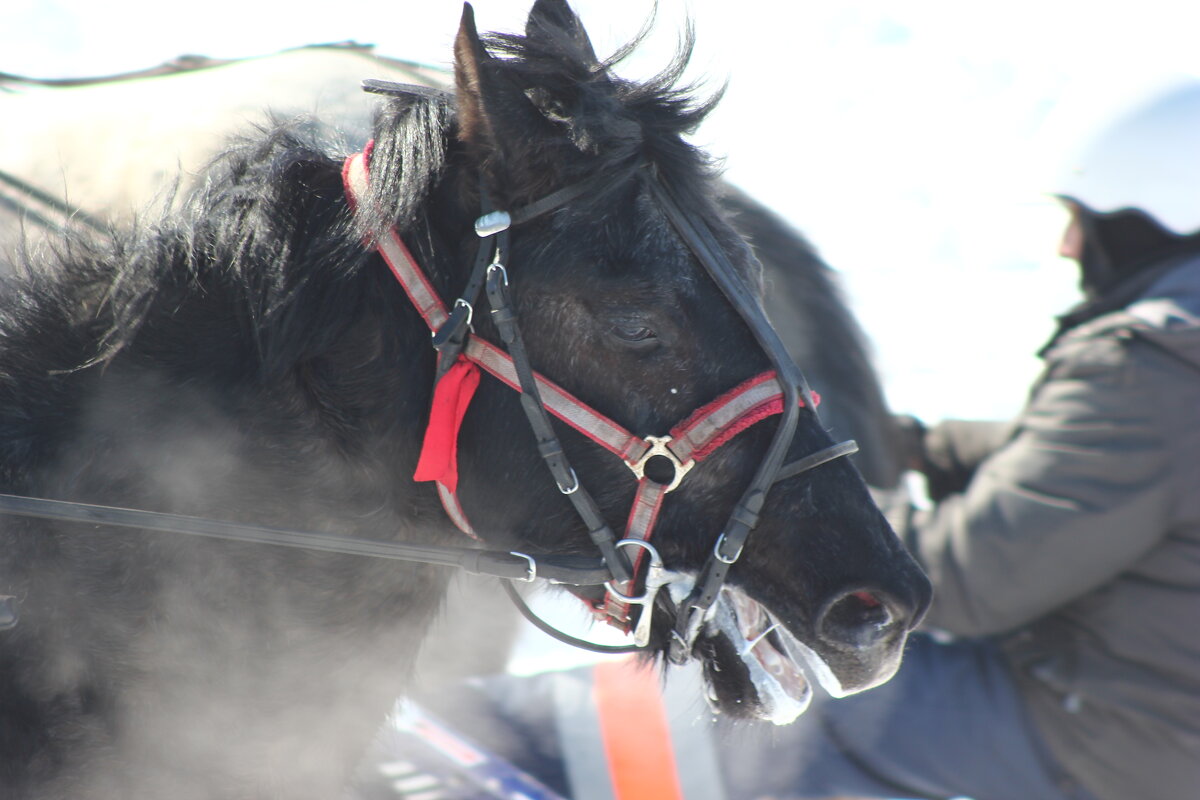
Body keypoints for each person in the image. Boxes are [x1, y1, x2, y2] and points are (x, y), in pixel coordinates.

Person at [717, 76, 1200, 800]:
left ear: (1161, 210)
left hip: (1120, 730)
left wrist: (824, 515)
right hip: (1167, 698)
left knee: (796, 694)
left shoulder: (1147, 369)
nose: (1070, 246)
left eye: (1082, 218)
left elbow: (972, 582)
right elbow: (1093, 466)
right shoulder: (1174, 362)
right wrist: (927, 447)